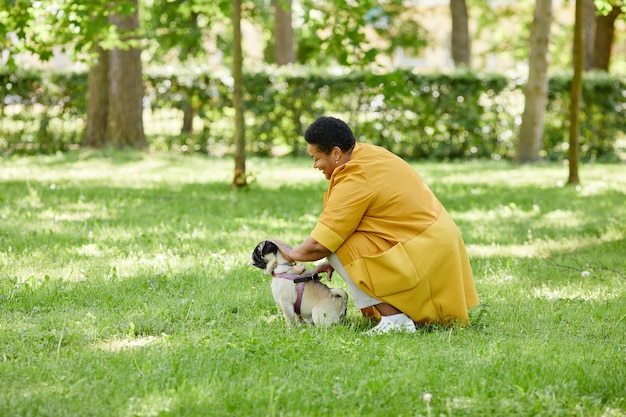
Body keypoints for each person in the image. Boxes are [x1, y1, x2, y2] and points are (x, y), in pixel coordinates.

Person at [271, 116, 479, 335]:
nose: (315, 165)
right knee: (338, 246)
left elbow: (320, 243)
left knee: (338, 245)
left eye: (316, 158)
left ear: (335, 153)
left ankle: (395, 320)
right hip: (434, 241)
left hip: (426, 249)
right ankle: (395, 315)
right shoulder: (368, 153)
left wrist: (290, 252)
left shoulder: (355, 177)